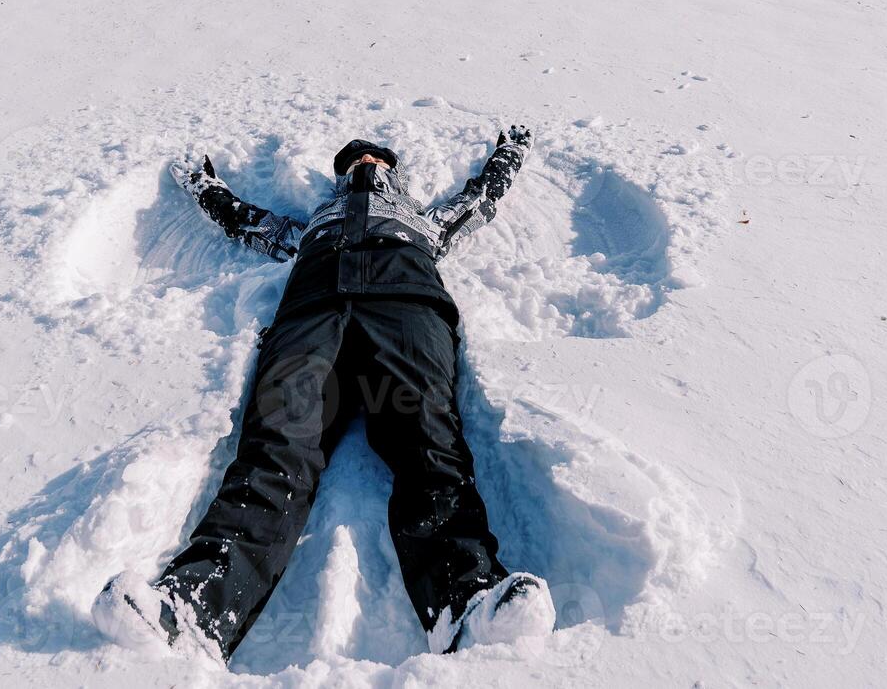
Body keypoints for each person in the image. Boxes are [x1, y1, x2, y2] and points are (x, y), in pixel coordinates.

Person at [93, 128, 554, 663]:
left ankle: (467, 599)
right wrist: (203, 186)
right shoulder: (310, 226)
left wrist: (509, 154)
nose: (364, 159)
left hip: (405, 307)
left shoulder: (424, 223)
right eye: (354, 156)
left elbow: (478, 200)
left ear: (391, 169)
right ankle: (197, 606)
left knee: (427, 435)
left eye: (375, 154)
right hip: (313, 311)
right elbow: (244, 220)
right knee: (277, 443)